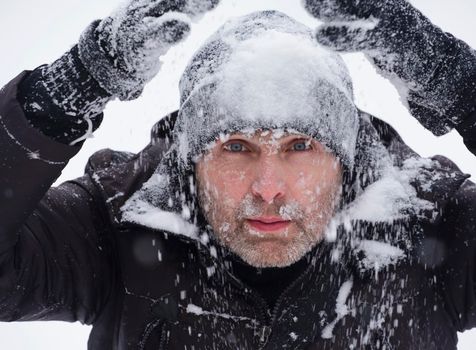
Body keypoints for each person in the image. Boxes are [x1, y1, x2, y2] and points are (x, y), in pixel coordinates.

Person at [1, 0, 476, 349]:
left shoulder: (428, 220)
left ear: (345, 159)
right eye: (236, 147)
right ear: (190, 158)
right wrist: (75, 83)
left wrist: (462, 88)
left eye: (300, 146)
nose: (268, 188)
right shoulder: (121, 217)